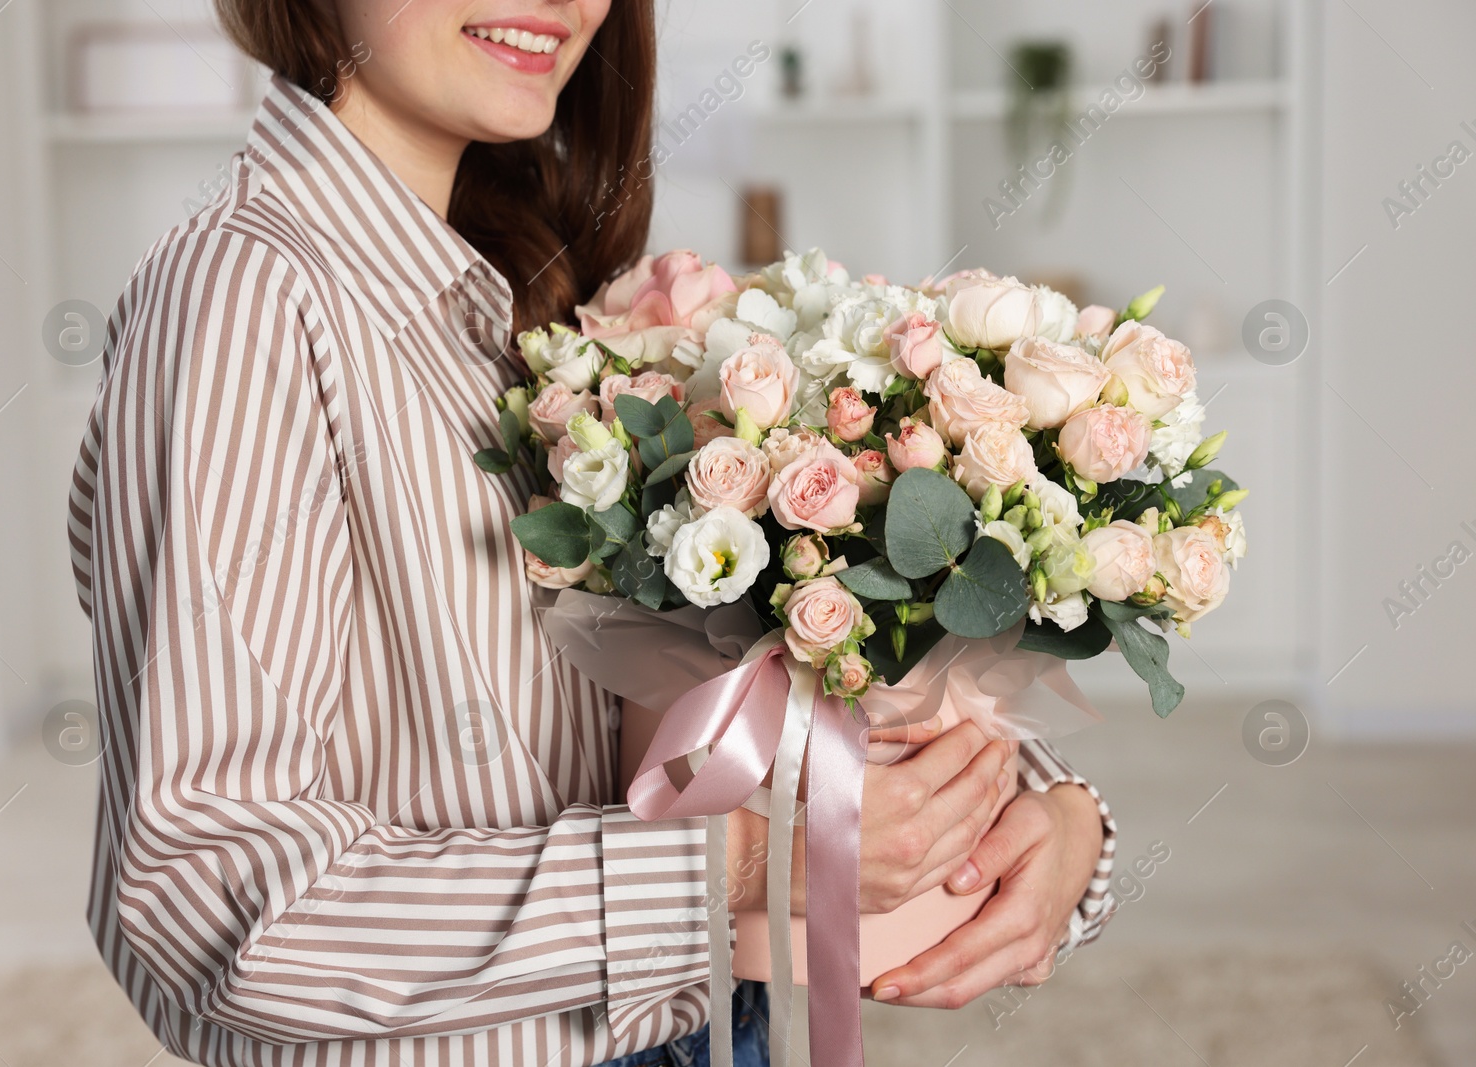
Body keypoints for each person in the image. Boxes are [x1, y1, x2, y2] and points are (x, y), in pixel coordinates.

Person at [67, 3, 1118, 1065]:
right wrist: (739, 865)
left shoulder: (506, 284)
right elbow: (218, 898)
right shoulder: (245, 300)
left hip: (703, 1017)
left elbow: (700, 663)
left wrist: (1040, 808)